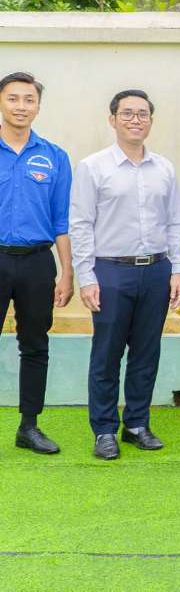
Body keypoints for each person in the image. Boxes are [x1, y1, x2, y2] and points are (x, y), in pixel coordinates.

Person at [69, 90, 180, 460]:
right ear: (113, 119)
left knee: (146, 352)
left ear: (151, 120)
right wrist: (86, 276)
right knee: (106, 354)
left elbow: (176, 221)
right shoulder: (93, 167)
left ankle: (136, 423)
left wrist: (178, 270)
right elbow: (81, 223)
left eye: (143, 114)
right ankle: (104, 430)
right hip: (110, 271)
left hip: (156, 270)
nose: (135, 120)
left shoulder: (164, 168)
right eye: (127, 113)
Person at [0, 72, 73, 455]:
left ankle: (29, 426)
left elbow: (61, 221)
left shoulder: (54, 156)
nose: (21, 107)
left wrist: (67, 272)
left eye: (28, 100)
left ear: (38, 106)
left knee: (35, 345)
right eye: (13, 99)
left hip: (36, 263)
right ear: (1, 102)